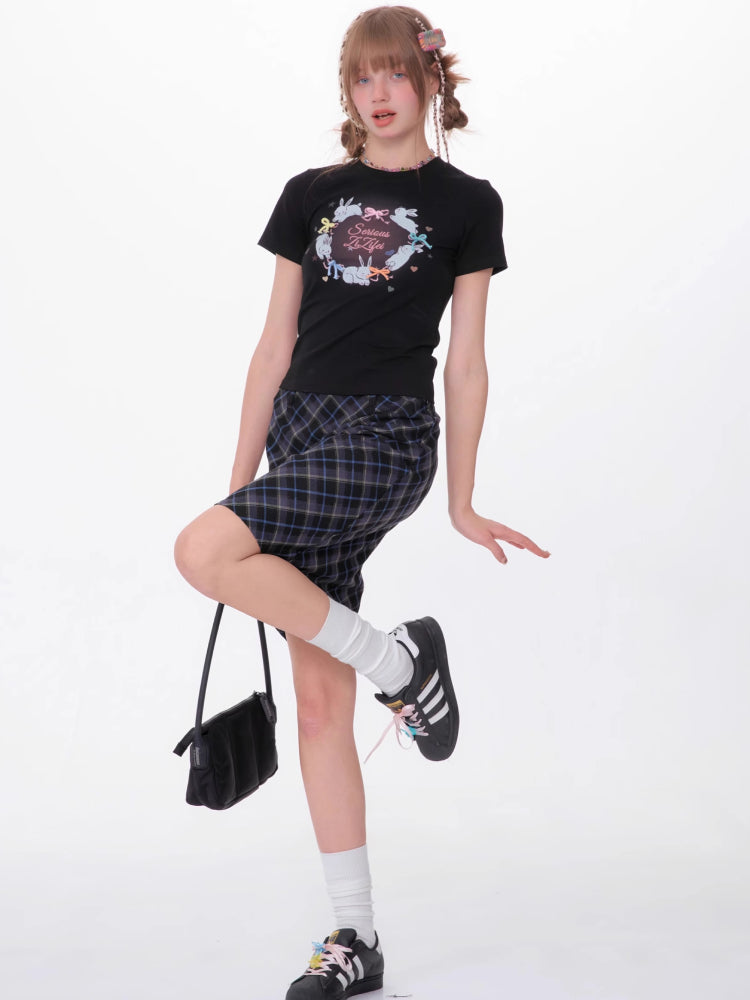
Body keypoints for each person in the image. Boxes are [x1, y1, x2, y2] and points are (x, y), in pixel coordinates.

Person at [174, 5, 549, 997]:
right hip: (300, 436)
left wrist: (462, 500)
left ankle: (396, 663)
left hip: (387, 437)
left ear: (429, 82)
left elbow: (466, 363)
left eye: (394, 74)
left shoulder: (468, 205)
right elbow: (272, 345)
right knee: (316, 705)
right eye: (361, 77)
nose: (378, 94)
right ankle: (357, 939)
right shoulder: (310, 194)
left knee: (198, 552)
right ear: (347, 90)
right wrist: (242, 481)